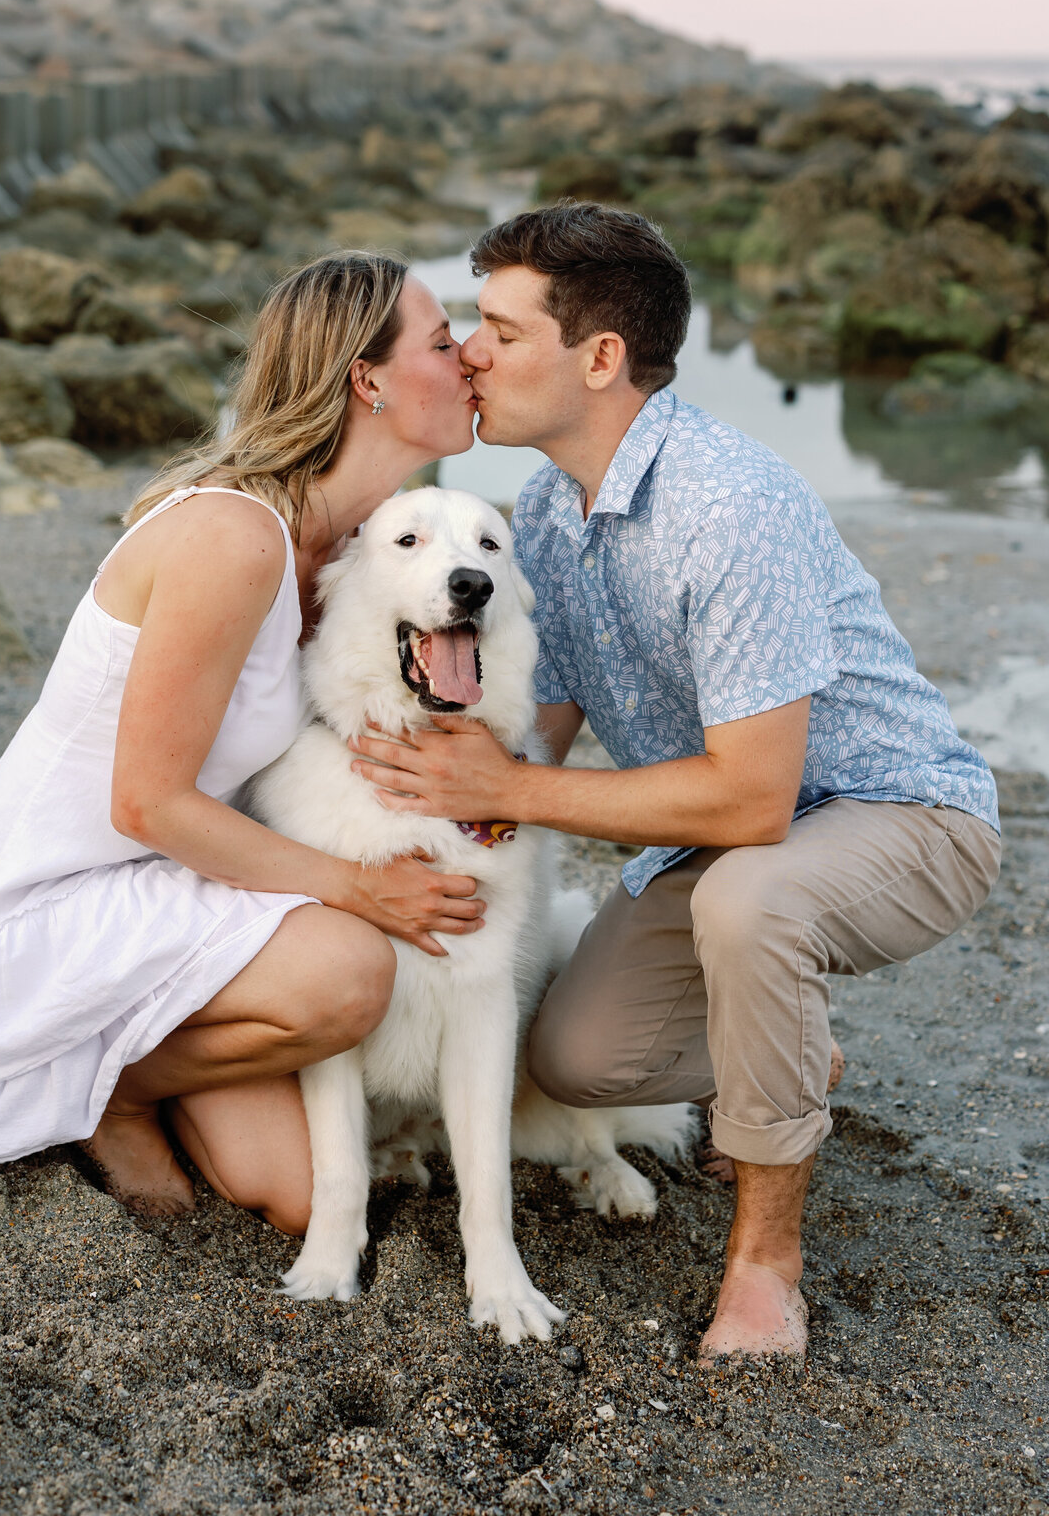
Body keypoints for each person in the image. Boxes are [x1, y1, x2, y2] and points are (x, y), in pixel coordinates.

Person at [347, 202, 1001, 1361]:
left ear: (600, 359)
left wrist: (514, 789)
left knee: (754, 904)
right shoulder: (544, 508)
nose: (470, 354)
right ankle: (785, 1041)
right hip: (719, 843)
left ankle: (764, 1271)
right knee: (575, 1062)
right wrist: (430, 811)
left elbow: (752, 804)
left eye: (499, 328)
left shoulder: (730, 506)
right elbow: (526, 740)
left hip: (894, 814)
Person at [0, 253, 487, 1232]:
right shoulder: (233, 536)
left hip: (173, 900)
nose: (472, 360)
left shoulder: (359, 544)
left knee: (303, 1196)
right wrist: (364, 893)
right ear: (367, 380)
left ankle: (127, 1077)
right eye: (446, 344)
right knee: (352, 971)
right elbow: (146, 804)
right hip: (44, 917)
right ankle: (113, 1092)